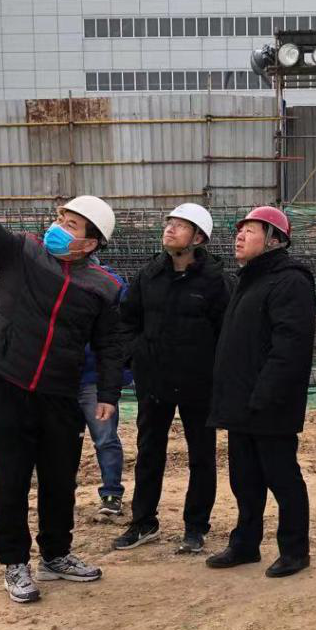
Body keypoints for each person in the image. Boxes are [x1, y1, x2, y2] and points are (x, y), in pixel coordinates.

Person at [0, 133, 125, 605]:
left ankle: (55, 555)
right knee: (11, 478)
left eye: (71, 224)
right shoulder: (21, 252)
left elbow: (109, 344)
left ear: (91, 242)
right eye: (60, 218)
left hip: (60, 394)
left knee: (59, 480)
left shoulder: (102, 286)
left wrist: (108, 394)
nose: (59, 227)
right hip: (11, 384)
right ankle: (15, 563)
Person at [114, 203, 232, 554]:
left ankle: (195, 527)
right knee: (149, 451)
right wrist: (136, 355)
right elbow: (127, 319)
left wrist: (217, 373)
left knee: (201, 455)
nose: (170, 229)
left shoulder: (216, 282)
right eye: (169, 223)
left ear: (198, 238)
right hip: (155, 380)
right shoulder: (149, 275)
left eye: (180, 225)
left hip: (199, 383)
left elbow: (228, 333)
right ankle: (143, 522)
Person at [205, 206, 316, 578]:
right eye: (240, 231)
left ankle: (295, 550)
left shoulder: (290, 281)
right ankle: (245, 544)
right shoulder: (248, 280)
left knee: (282, 478)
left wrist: (266, 395)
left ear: (274, 240)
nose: (240, 236)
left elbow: (290, 347)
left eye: (251, 231)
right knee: (245, 480)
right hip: (241, 402)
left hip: (269, 404)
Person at [78, 277, 131, 518]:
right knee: (61, 441)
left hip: (94, 379)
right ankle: (61, 491)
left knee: (105, 437)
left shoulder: (109, 283)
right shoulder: (52, 278)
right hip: (62, 378)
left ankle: (111, 492)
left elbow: (118, 335)